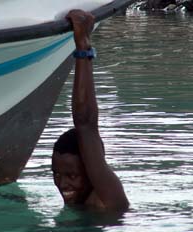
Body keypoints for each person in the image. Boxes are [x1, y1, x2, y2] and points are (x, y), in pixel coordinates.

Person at [51, 10, 129, 211]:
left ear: (93, 171)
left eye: (72, 176)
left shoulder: (109, 200)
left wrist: (83, 48)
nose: (62, 185)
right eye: (56, 175)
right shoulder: (79, 205)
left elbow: (85, 123)